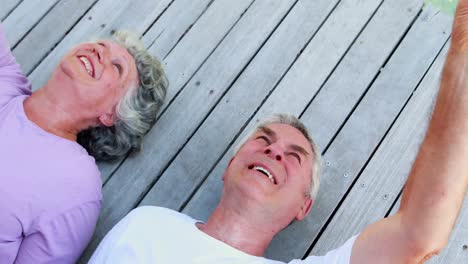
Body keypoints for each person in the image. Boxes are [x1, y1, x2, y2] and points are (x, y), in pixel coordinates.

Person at [89, 0, 468, 263]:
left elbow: (419, 234)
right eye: (263, 140)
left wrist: (461, 57)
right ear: (230, 165)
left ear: (303, 206)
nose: (273, 153)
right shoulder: (147, 224)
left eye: (293, 157)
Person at [0, 21, 168, 263]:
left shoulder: (75, 185)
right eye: (100, 44)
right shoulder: (6, 80)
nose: (98, 50)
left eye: (117, 68)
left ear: (112, 114)